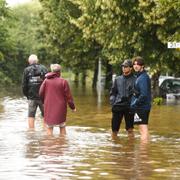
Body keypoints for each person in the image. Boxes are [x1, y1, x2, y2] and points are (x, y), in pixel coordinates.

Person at [39, 64, 76, 136]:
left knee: (49, 127)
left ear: (52, 71)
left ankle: (49, 145)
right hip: (61, 108)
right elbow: (69, 97)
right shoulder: (63, 81)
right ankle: (62, 144)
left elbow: (40, 93)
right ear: (60, 72)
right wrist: (72, 107)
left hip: (49, 106)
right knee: (62, 126)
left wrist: (44, 102)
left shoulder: (46, 81)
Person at [110, 59, 136, 138]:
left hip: (129, 107)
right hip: (118, 106)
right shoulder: (117, 79)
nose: (124, 68)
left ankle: (130, 147)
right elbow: (113, 92)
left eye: (126, 66)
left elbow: (137, 94)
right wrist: (113, 102)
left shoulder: (135, 79)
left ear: (131, 68)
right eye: (122, 66)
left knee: (130, 129)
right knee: (114, 130)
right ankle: (114, 146)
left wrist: (134, 104)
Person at [22, 54, 48, 129]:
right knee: (45, 115)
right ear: (37, 61)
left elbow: (24, 85)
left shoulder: (26, 70)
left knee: (31, 115)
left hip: (32, 97)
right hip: (43, 97)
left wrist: (27, 96)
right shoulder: (44, 68)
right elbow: (48, 82)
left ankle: (31, 133)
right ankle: (45, 132)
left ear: (29, 61)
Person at [131, 56, 151, 142]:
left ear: (142, 66)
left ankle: (143, 152)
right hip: (142, 106)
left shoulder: (143, 78)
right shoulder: (140, 76)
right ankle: (144, 150)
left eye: (138, 64)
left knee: (143, 130)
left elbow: (144, 95)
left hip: (142, 107)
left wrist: (134, 103)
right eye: (134, 64)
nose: (135, 66)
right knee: (143, 129)